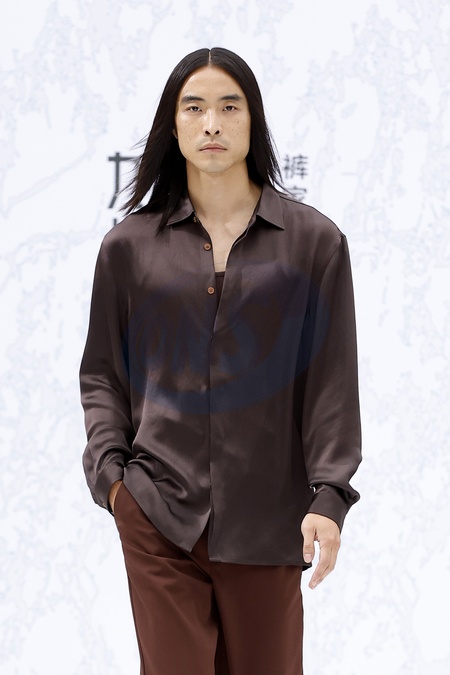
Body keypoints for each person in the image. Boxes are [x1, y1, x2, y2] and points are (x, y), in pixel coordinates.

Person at [80, 47, 362, 675]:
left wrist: (330, 495)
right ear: (173, 124)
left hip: (270, 520)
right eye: (194, 108)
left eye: (229, 107)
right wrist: (114, 482)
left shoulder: (314, 244)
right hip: (157, 512)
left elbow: (331, 382)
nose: (212, 124)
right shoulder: (128, 247)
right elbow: (101, 371)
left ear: (253, 121)